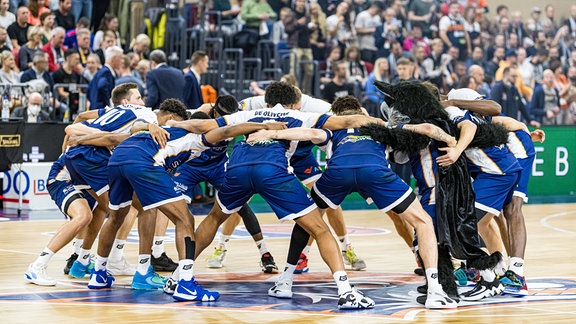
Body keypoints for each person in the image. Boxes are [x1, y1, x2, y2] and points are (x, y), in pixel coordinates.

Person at [250, 95, 458, 309]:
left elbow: (310, 133)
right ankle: (435, 290)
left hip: (338, 173)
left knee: (308, 220)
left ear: (336, 116)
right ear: (361, 110)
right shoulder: (380, 124)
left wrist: (272, 133)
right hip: (374, 172)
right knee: (422, 221)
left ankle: (285, 281)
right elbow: (427, 129)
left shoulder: (333, 128)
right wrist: (452, 142)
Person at [186, 81, 379, 309]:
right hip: (272, 170)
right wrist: (384, 123)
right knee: (319, 228)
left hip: (237, 168)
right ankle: (346, 291)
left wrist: (171, 123)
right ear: (295, 103)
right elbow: (347, 121)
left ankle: (181, 277)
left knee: (214, 218)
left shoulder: (248, 113)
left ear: (266, 100)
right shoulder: (301, 115)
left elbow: (204, 126)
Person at [88, 99, 282, 302]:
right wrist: (265, 125)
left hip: (119, 157)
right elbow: (226, 132)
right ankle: (186, 284)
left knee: (116, 217)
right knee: (185, 220)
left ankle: (99, 273)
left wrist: (150, 125)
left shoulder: (163, 128)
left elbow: (129, 130)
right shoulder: (199, 137)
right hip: (144, 161)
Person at [24, 153, 103, 286]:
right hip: (63, 179)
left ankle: (81, 257)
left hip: (83, 178)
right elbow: (69, 133)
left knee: (100, 209)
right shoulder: (102, 140)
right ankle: (37, 265)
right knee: (83, 216)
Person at [53, 49, 85, 116]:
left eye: (78, 59)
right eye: (76, 59)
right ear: (68, 58)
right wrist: (72, 97)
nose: (78, 62)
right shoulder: (58, 73)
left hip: (75, 100)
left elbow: (79, 90)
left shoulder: (77, 75)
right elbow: (61, 92)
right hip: (63, 101)